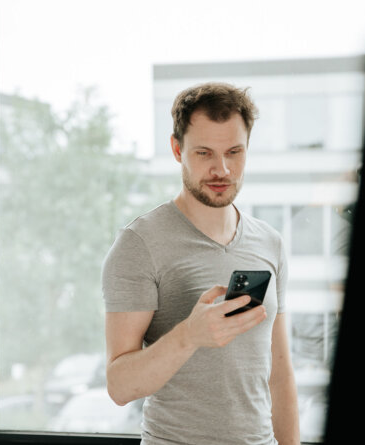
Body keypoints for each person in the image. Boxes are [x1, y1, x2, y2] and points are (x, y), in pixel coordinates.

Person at [102, 82, 300, 445]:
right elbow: (118, 386)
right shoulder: (139, 244)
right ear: (177, 149)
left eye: (234, 152)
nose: (221, 169)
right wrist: (189, 336)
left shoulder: (270, 242)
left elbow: (280, 374)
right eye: (204, 153)